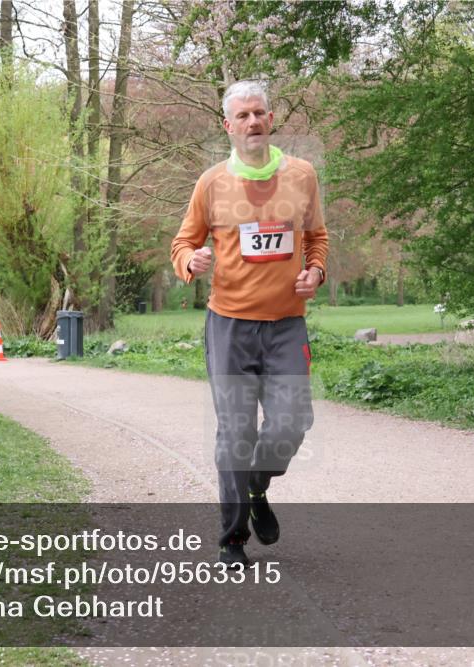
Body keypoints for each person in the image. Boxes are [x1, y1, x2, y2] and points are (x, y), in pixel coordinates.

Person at [171, 80, 329, 568]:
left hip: (286, 325)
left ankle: (258, 482)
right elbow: (182, 244)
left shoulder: (302, 175)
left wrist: (315, 271)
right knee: (235, 433)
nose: (252, 122)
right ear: (228, 126)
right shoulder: (211, 183)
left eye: (259, 113)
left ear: (271, 118)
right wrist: (190, 263)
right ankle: (233, 537)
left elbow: (317, 237)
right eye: (242, 116)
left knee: (292, 421)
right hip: (230, 326)